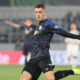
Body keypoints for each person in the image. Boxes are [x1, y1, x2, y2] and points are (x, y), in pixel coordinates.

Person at [20, 4, 80, 80]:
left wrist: (78, 37)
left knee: (52, 79)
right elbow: (40, 28)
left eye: (40, 12)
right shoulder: (40, 25)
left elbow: (63, 33)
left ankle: (72, 71)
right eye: (36, 12)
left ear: (44, 12)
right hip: (33, 58)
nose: (38, 14)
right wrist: (31, 25)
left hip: (43, 57)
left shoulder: (49, 24)